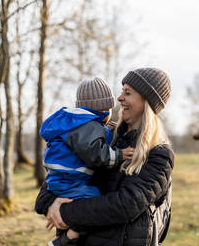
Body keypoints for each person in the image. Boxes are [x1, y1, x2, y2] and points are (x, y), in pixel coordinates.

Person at [35, 68, 174, 246]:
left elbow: (124, 206)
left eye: (127, 93)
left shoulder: (159, 153)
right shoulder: (103, 137)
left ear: (147, 102)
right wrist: (50, 203)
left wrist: (64, 211)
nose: (119, 98)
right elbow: (52, 183)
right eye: (122, 91)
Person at [40, 77, 134, 246]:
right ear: (104, 110)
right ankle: (66, 239)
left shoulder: (74, 123)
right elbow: (95, 154)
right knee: (92, 202)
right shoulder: (88, 127)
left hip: (59, 179)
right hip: (71, 182)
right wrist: (119, 155)